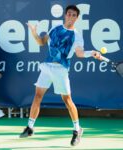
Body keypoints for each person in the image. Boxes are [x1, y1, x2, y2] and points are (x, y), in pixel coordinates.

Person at [19, 5, 101, 146]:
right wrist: (33, 32)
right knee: (37, 96)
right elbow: (41, 42)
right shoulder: (55, 28)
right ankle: (30, 127)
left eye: (73, 15)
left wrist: (92, 53)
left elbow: (80, 54)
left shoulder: (77, 35)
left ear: (77, 18)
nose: (70, 16)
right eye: (68, 14)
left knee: (67, 100)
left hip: (61, 70)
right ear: (65, 15)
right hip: (47, 67)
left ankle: (77, 129)